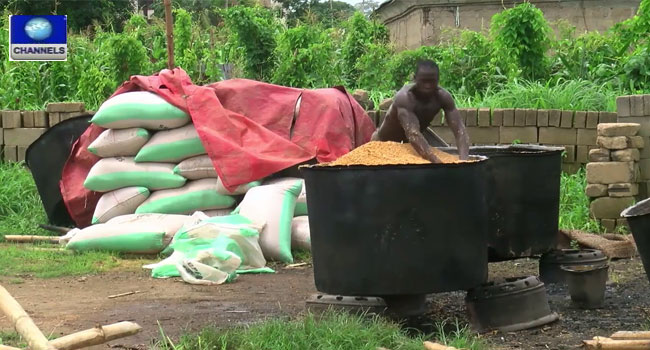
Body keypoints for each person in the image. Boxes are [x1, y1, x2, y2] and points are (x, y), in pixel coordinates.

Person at [371, 59, 470, 163]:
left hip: (411, 148)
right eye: (423, 81)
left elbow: (460, 130)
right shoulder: (405, 97)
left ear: (438, 80)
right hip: (383, 146)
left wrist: (464, 161)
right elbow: (413, 134)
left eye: (432, 81)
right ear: (415, 79)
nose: (428, 86)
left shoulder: (443, 97)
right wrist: (439, 164)